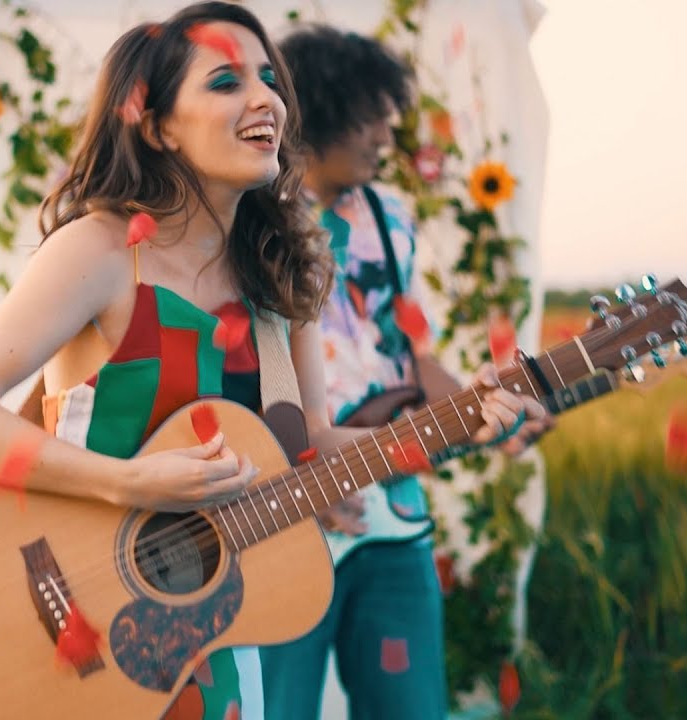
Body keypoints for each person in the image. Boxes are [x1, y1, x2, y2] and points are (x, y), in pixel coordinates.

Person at [0, 4, 538, 718]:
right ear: (157, 125)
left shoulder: (282, 274)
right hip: (67, 606)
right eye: (225, 82)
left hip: (205, 651)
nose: (265, 99)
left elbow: (311, 446)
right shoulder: (100, 252)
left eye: (270, 79)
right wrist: (125, 483)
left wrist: (462, 422)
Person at [260, 26, 554, 720]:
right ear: (320, 108)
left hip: (391, 512)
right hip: (283, 509)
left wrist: (485, 412)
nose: (386, 133)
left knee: (411, 706)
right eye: (370, 115)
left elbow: (413, 350)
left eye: (391, 116)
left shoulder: (390, 219)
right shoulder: (253, 216)